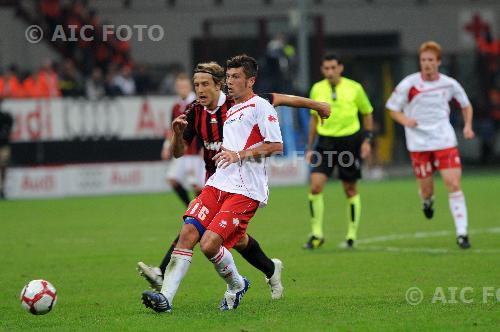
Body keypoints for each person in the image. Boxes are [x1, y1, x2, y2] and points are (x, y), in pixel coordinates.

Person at [138, 59, 331, 309]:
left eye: (205, 84)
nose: (200, 89)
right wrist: (176, 134)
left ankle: (242, 281)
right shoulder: (196, 111)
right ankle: (165, 298)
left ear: (218, 86)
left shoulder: (247, 104)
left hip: (243, 186)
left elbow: (279, 110)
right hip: (216, 179)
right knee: (193, 232)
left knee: (213, 242)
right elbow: (179, 151)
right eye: (196, 84)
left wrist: (316, 105)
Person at [386, 41, 475, 249]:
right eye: (423, 60)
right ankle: (427, 201)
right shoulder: (409, 84)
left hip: (444, 141)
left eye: (430, 60)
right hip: (418, 143)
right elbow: (392, 108)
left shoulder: (449, 84)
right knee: (426, 190)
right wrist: (405, 120)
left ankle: (462, 233)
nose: (426, 64)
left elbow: (465, 105)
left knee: (453, 184)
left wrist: (468, 126)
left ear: (438, 62)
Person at [304, 54, 374, 250]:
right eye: (326, 68)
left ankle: (351, 235)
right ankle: (316, 234)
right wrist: (310, 147)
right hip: (325, 143)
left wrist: (367, 140)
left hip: (350, 142)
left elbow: (367, 113)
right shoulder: (317, 88)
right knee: (315, 186)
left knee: (350, 189)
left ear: (340, 68)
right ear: (322, 70)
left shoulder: (355, 88)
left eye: (333, 67)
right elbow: (313, 119)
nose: (330, 72)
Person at [162, 73, 203, 207]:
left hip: (196, 152)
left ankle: (202, 213)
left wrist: (204, 147)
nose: (182, 89)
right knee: (172, 180)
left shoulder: (197, 104)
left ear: (190, 86)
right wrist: (166, 146)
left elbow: (202, 127)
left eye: (184, 86)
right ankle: (190, 209)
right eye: (179, 86)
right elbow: (172, 130)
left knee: (198, 187)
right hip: (181, 152)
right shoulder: (176, 107)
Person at [0, 105, 14, 199]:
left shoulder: (5, 117)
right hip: (4, 145)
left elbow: (9, 128)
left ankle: (2, 189)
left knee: (3, 167)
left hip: (4, 145)